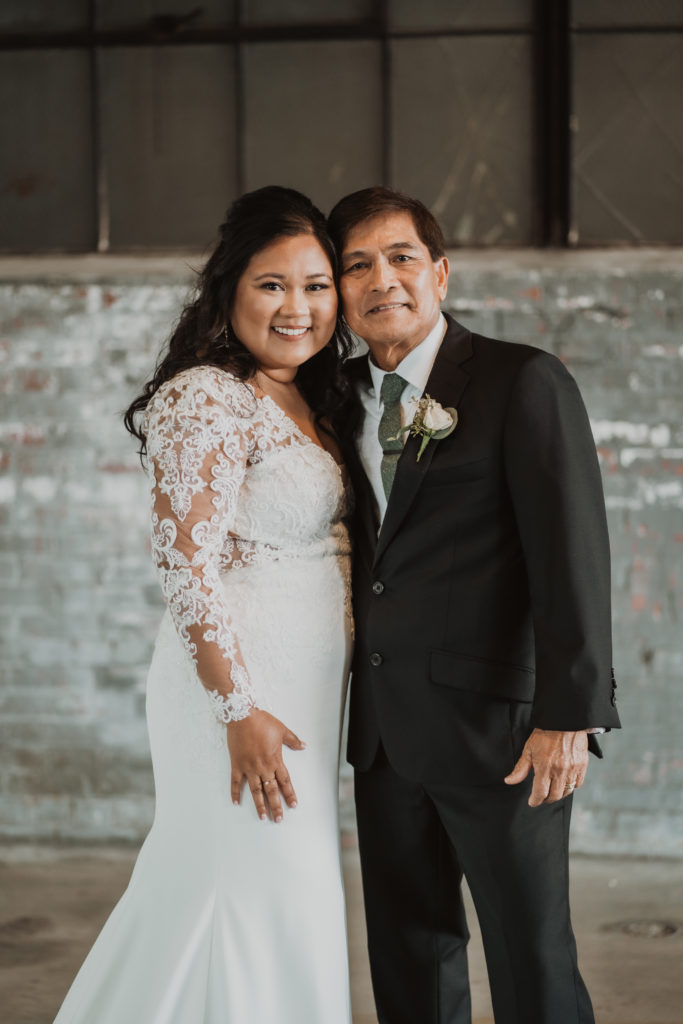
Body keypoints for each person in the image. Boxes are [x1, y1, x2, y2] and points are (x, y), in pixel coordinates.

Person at [54, 186, 356, 1024]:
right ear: (228, 287)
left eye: (317, 284)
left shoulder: (308, 395)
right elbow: (185, 566)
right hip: (239, 696)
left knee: (284, 890)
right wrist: (236, 708)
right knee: (234, 885)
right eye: (272, 284)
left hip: (303, 694)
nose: (297, 307)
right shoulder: (205, 396)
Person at [327, 186, 621, 1024]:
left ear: (440, 273)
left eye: (400, 257)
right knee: (410, 958)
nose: (380, 278)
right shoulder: (334, 397)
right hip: (384, 737)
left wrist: (569, 714)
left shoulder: (519, 379)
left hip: (504, 735)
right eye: (356, 264)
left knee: (532, 964)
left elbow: (571, 553)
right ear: (339, 291)